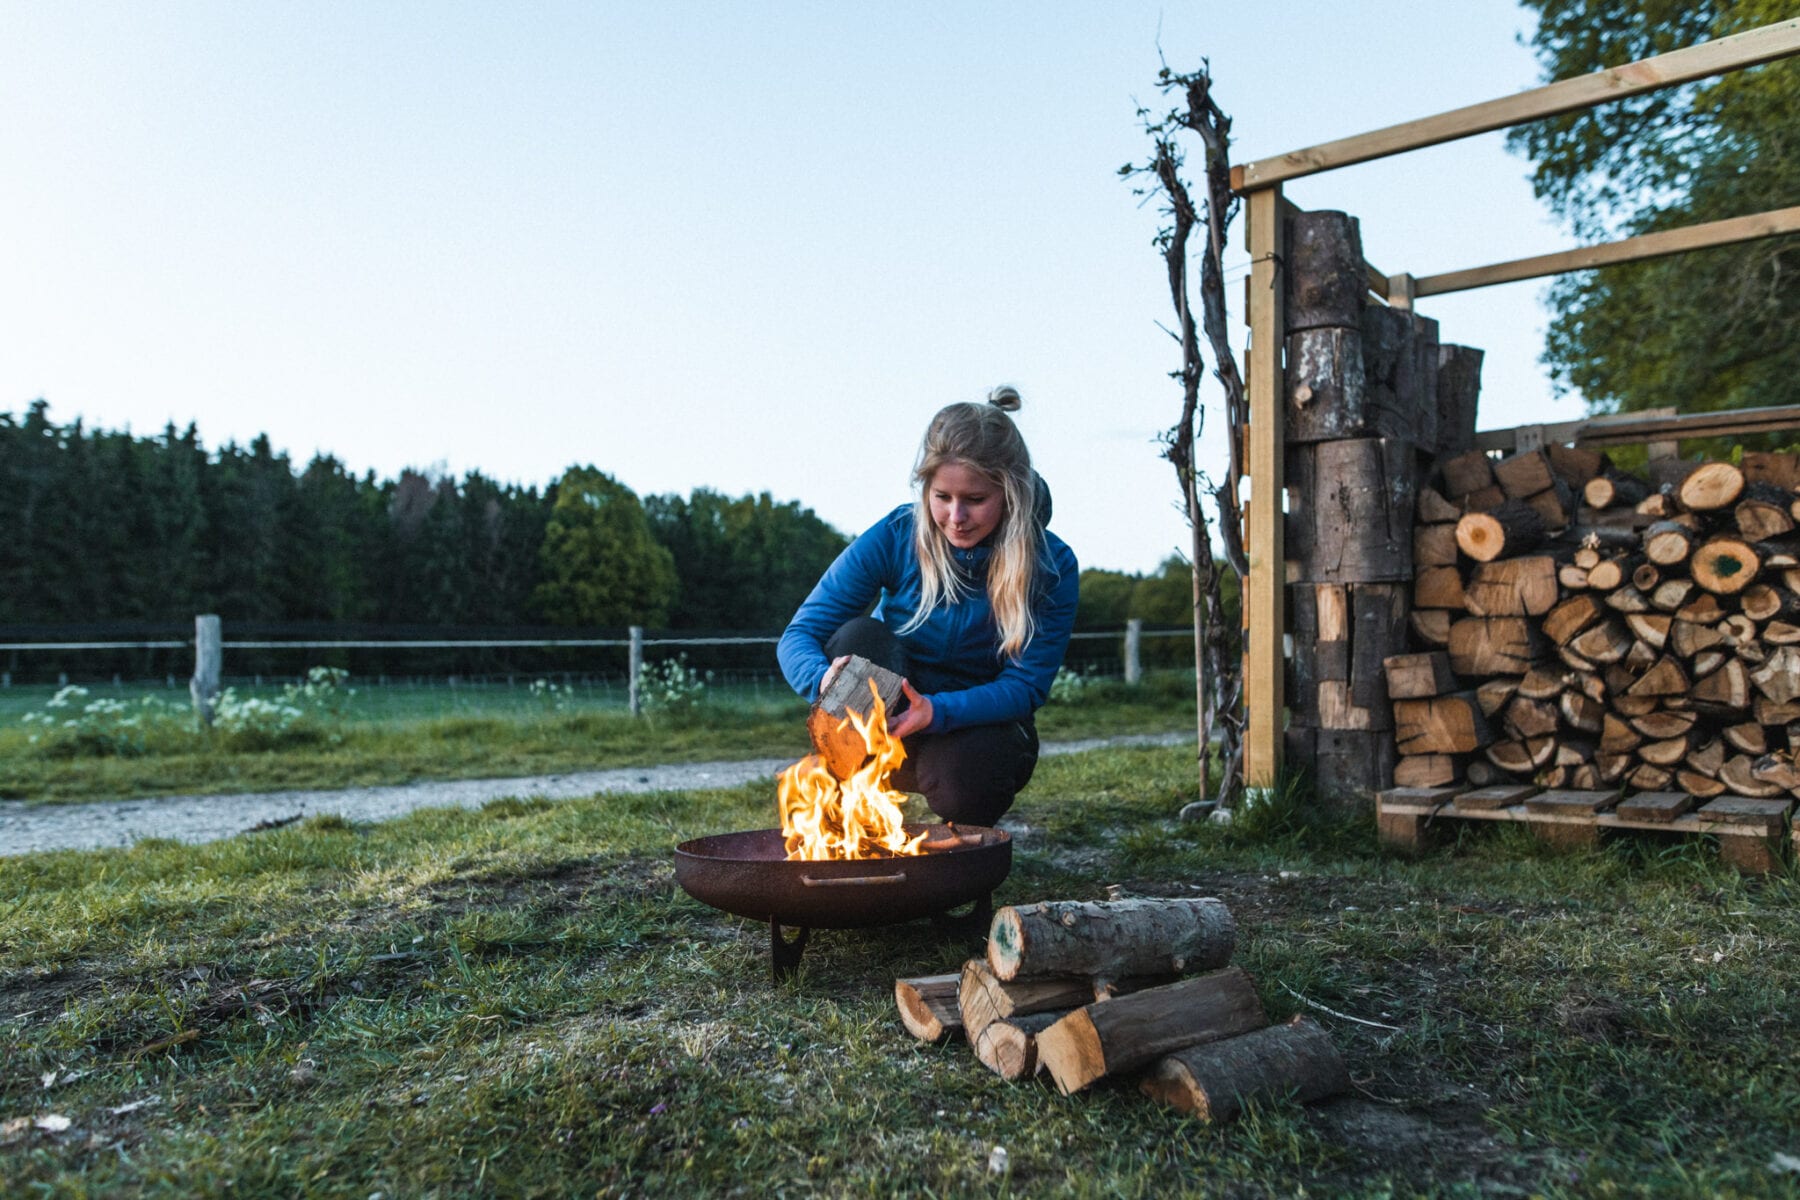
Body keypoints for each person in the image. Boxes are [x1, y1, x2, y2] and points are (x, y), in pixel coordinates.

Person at [777, 386, 1079, 827]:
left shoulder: (1052, 565)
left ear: (1010, 493)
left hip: (973, 726)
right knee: (857, 638)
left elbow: (1026, 687)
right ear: (926, 488)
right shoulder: (897, 533)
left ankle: (966, 855)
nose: (956, 517)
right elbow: (798, 635)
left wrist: (936, 712)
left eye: (975, 500)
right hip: (890, 718)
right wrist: (823, 679)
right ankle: (848, 808)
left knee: (967, 780)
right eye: (942, 497)